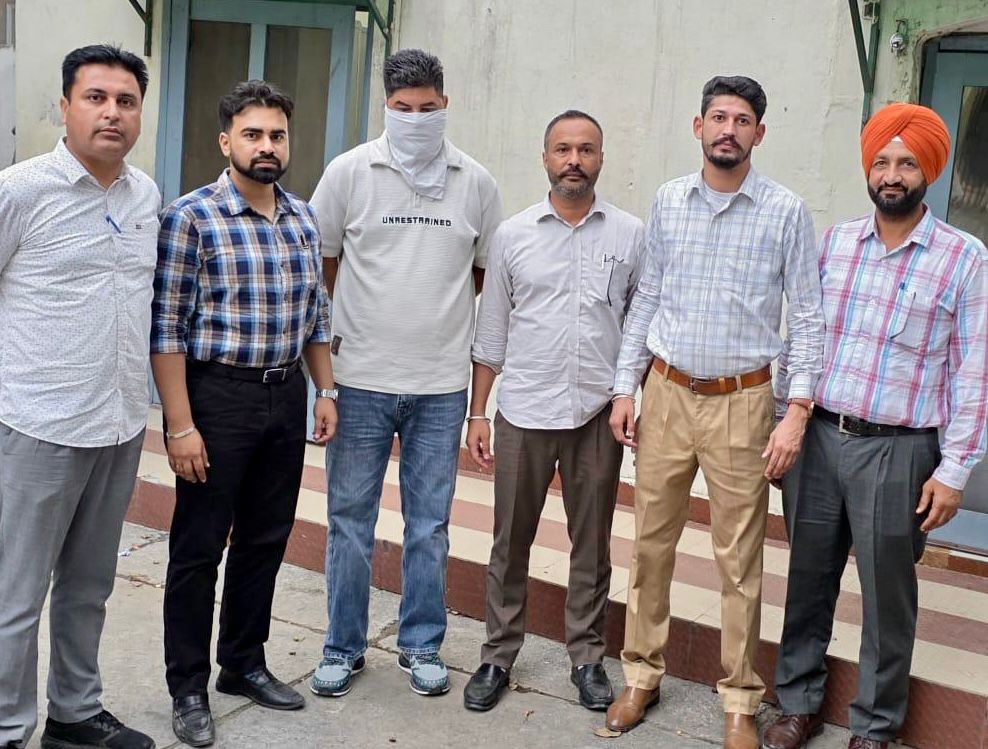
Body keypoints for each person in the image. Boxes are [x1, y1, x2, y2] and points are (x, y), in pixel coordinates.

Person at [604, 76, 825, 749]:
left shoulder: (786, 211)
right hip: (668, 392)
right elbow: (648, 298)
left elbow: (807, 316)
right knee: (651, 543)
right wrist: (624, 386)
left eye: (743, 119)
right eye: (719, 117)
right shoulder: (669, 201)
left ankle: (739, 698)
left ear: (760, 132)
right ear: (698, 126)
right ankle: (641, 673)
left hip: (745, 402)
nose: (729, 129)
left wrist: (797, 409)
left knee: (739, 556)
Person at [763, 103, 987, 749]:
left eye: (907, 163)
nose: (892, 175)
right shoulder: (835, 244)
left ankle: (876, 725)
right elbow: (802, 340)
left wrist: (954, 470)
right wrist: (783, 421)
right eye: (882, 161)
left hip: (899, 451)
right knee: (808, 578)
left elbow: (974, 371)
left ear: (929, 171)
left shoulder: (963, 258)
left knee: (888, 595)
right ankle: (798, 703)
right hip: (818, 439)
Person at [308, 48, 502, 699]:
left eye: (427, 108)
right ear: (385, 107)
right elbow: (324, 263)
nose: (415, 118)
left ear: (445, 104)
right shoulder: (348, 172)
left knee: (430, 526)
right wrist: (333, 371)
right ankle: (342, 646)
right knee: (349, 522)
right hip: (359, 381)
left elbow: (482, 273)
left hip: (441, 388)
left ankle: (421, 645)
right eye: (402, 108)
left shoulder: (476, 182)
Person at [151, 80, 337, 747]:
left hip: (285, 396)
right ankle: (188, 686)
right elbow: (166, 328)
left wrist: (326, 391)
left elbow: (316, 313)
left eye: (277, 135)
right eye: (253, 134)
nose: (267, 146)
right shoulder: (191, 218)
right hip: (217, 398)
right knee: (198, 548)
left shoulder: (303, 217)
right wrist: (180, 425)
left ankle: (243, 662)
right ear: (225, 141)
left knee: (264, 538)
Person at [0, 44, 158, 749]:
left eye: (126, 101)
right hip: (37, 426)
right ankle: (7, 726)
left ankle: (74, 712)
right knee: (15, 593)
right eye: (95, 98)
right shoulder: (20, 191)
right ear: (65, 106)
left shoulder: (146, 195)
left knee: (89, 586)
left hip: (119, 424)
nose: (111, 113)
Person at [461, 110, 645, 713]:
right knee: (509, 541)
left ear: (601, 158)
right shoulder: (513, 235)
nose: (574, 160)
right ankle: (497, 655)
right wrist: (478, 413)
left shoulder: (630, 235)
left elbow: (639, 325)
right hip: (524, 411)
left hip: (597, 415)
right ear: (545, 158)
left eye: (586, 150)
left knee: (592, 544)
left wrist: (630, 395)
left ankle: (587, 657)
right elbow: (492, 330)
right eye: (563, 149)